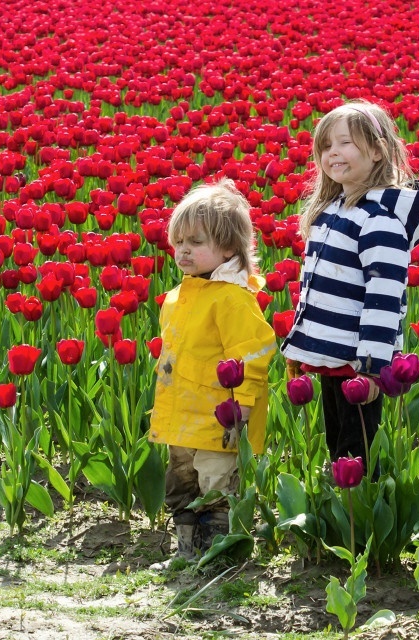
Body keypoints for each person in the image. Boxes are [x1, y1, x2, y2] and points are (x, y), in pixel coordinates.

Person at [281, 100, 419, 472]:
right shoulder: (332, 211)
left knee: (357, 450)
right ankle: (342, 512)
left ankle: (361, 516)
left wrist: (370, 369)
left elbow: (383, 300)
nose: (333, 153)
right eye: (325, 146)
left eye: (345, 143)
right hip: (332, 354)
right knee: (338, 443)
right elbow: (315, 292)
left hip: (358, 361)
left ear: (379, 150)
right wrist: (301, 347)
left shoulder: (380, 221)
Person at [149, 179, 276, 564]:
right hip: (180, 414)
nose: (184, 251)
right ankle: (186, 552)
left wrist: (244, 407)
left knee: (217, 485)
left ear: (228, 248)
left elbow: (252, 356)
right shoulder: (178, 296)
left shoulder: (233, 299)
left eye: (196, 243)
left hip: (219, 416)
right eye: (178, 242)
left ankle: (220, 555)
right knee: (182, 481)